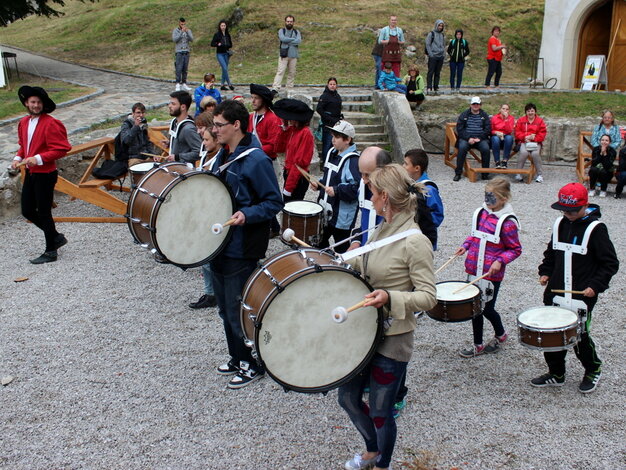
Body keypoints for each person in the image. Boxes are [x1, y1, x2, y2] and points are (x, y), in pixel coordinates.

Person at [338, 164, 436, 470]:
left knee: (381, 411)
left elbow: (429, 297)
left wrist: (390, 298)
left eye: (372, 191)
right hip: (366, 330)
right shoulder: (382, 229)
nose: (369, 196)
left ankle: (382, 464)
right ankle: (372, 449)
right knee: (348, 398)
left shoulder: (414, 241)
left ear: (385, 198)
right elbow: (372, 268)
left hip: (393, 337)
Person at [208, 100, 283, 389]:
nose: (214, 130)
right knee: (225, 309)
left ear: (236, 125)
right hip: (219, 243)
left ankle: (252, 363)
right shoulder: (223, 155)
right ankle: (236, 355)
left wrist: (246, 214)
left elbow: (274, 202)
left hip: (242, 246)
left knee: (239, 307)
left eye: (219, 125)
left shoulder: (256, 159)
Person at [534, 183, 618, 393]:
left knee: (579, 336)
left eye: (573, 210)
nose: (568, 214)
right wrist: (545, 271)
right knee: (552, 334)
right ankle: (556, 373)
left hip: (582, 294)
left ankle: (593, 368)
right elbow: (552, 254)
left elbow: (610, 263)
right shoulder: (560, 224)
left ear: (585, 205)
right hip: (555, 291)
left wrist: (595, 286)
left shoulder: (596, 229)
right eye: (565, 210)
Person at [454, 177, 522, 357]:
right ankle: (478, 344)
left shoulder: (507, 223)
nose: (487, 200)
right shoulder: (481, 213)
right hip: (473, 269)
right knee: (474, 308)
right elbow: (474, 235)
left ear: (504, 198)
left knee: (487, 309)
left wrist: (499, 261)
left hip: (491, 274)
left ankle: (501, 334)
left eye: (492, 197)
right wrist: (466, 245)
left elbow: (515, 249)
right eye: (486, 195)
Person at [11, 86, 71, 264]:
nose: (36, 105)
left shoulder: (51, 123)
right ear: (26, 103)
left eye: (38, 102)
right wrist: (18, 158)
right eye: (32, 102)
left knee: (44, 212)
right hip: (31, 172)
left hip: (45, 173)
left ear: (42, 104)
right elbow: (24, 145)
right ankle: (55, 237)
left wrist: (38, 158)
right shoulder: (23, 122)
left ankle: (51, 251)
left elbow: (62, 148)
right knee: (27, 210)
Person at [311, 121, 360, 254]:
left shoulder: (353, 160)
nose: (333, 140)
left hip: (342, 216)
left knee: (342, 247)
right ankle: (326, 264)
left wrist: (337, 190)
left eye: (337, 137)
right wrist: (319, 184)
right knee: (319, 241)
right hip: (326, 210)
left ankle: (345, 270)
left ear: (348, 140)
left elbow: (357, 189)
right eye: (333, 136)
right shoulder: (332, 153)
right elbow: (329, 178)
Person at [189, 122, 222, 310]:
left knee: (209, 258)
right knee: (204, 256)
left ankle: (216, 291)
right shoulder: (206, 156)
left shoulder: (219, 159)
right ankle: (210, 293)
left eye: (207, 139)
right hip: (202, 210)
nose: (204, 142)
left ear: (217, 140)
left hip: (213, 213)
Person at [273, 98, 315, 202]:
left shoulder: (305, 133)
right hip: (289, 173)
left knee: (291, 208)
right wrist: (284, 128)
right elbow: (278, 148)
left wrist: (288, 188)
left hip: (298, 177)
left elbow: (299, 164)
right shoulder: (293, 130)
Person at [402, 149, 444, 250]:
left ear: (417, 168)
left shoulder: (429, 189)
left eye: (406, 164)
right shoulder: (407, 183)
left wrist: (421, 224)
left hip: (423, 237)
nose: (403, 166)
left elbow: (438, 215)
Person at [155, 91, 202, 165]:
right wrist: (170, 144)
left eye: (173, 104)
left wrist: (177, 157)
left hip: (183, 170)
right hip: (174, 167)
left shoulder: (188, 129)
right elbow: (183, 145)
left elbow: (199, 152)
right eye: (170, 103)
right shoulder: (175, 123)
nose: (169, 106)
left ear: (183, 107)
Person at [453, 96, 491, 181]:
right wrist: (468, 138)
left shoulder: (484, 115)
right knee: (462, 148)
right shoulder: (464, 114)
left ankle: (485, 173)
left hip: (480, 139)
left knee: (486, 149)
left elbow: (487, 129)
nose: (475, 106)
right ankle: (458, 173)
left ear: (480, 105)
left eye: (477, 104)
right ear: (470, 105)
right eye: (474, 104)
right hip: (466, 139)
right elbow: (460, 129)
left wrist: (479, 138)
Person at [514, 103, 547, 183]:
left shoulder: (540, 121)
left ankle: (540, 174)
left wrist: (534, 138)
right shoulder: (521, 120)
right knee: (523, 153)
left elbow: (542, 134)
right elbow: (517, 132)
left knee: (535, 154)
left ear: (535, 111)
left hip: (536, 142)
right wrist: (525, 137)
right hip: (524, 141)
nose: (530, 113)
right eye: (528, 111)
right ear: (526, 112)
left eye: (532, 111)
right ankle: (518, 173)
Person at [272, 15, 301, 91]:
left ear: (293, 22)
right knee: (280, 71)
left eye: (291, 21)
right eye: (288, 21)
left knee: (292, 73)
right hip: (283, 55)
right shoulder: (281, 31)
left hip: (293, 56)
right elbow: (282, 39)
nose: (289, 23)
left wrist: (287, 41)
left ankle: (290, 87)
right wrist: (292, 40)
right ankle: (276, 87)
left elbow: (298, 41)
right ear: (285, 22)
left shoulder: (296, 31)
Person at [120, 103, 154, 168]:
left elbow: (147, 142)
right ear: (133, 113)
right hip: (133, 158)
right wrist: (136, 126)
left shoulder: (143, 124)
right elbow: (126, 141)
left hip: (146, 156)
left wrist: (153, 154)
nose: (141, 115)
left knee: (157, 170)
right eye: (138, 113)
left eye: (143, 113)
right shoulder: (126, 124)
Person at [316, 77, 343, 160]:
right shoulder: (324, 96)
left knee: (335, 145)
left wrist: (340, 117)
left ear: (336, 86)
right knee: (327, 145)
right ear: (327, 85)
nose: (332, 86)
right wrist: (328, 118)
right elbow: (319, 109)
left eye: (334, 84)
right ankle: (325, 163)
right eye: (330, 84)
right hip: (327, 125)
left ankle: (332, 161)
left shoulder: (337, 96)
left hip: (336, 125)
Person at [211, 20, 234, 91]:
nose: (223, 27)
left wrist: (226, 45)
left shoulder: (227, 35)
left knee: (224, 69)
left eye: (224, 26)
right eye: (222, 26)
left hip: (226, 53)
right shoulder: (217, 34)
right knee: (225, 68)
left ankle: (222, 85)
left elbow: (231, 44)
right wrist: (218, 44)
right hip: (220, 53)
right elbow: (212, 43)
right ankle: (229, 84)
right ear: (219, 26)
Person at [490, 103, 515, 169]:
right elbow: (490, 130)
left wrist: (506, 119)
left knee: (509, 138)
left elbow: (509, 131)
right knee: (495, 139)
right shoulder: (494, 118)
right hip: (496, 137)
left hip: (506, 137)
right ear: (500, 109)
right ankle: (497, 161)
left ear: (509, 111)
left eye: (507, 109)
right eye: (503, 108)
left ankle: (505, 161)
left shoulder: (511, 118)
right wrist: (496, 132)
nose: (505, 110)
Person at [172, 17, 193, 91]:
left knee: (185, 68)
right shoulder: (176, 31)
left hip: (186, 51)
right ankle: (177, 83)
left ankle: (184, 83)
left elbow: (192, 39)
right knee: (178, 68)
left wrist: (187, 32)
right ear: (179, 23)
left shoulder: (188, 30)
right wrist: (181, 32)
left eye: (184, 24)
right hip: (179, 52)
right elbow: (175, 39)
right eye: (181, 24)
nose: (183, 25)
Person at [425, 20, 445, 94]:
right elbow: (427, 44)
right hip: (433, 56)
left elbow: (443, 44)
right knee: (431, 72)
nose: (440, 27)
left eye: (441, 26)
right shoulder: (431, 34)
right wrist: (431, 54)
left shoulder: (442, 35)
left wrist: (443, 54)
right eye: (439, 25)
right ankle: (429, 86)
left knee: (437, 72)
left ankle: (436, 86)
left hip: (440, 56)